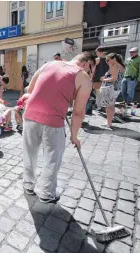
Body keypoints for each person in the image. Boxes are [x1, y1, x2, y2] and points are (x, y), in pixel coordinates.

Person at [22, 52, 95, 203]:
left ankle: (28, 184)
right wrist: (74, 136)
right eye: (90, 70)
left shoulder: (49, 64)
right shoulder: (83, 77)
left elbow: (29, 90)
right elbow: (78, 112)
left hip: (30, 115)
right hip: (52, 121)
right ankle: (47, 193)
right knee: (52, 159)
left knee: (30, 153)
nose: (89, 73)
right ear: (87, 64)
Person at [97, 53, 125, 128]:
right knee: (111, 106)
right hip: (115, 89)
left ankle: (108, 123)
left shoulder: (115, 66)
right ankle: (109, 122)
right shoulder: (119, 66)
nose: (106, 61)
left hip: (110, 88)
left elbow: (114, 78)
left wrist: (104, 79)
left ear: (114, 59)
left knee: (109, 106)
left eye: (108, 60)